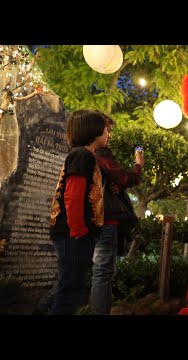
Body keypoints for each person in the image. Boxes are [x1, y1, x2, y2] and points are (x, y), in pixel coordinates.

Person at [48, 109, 109, 315]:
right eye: (105, 129)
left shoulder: (84, 156)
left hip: (75, 234)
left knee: (68, 287)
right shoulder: (82, 156)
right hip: (74, 234)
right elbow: (73, 195)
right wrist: (79, 230)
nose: (108, 132)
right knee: (70, 291)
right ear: (94, 131)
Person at [90, 114, 144, 315]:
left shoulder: (86, 153)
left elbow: (114, 180)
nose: (109, 136)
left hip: (98, 218)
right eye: (107, 131)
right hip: (106, 218)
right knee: (103, 272)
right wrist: (138, 165)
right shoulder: (100, 152)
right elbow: (124, 178)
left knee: (102, 271)